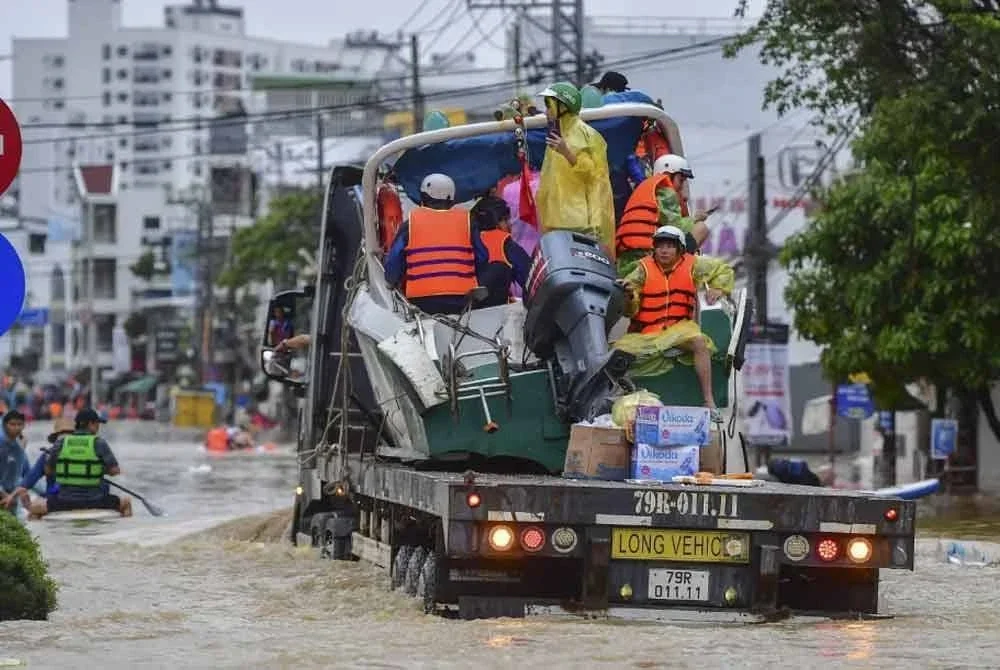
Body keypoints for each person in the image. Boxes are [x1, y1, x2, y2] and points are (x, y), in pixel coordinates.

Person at [618, 225, 734, 421]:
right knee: (616, 355)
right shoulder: (642, 270)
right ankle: (620, 400)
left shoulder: (694, 264)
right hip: (648, 333)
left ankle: (709, 401)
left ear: (679, 249)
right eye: (660, 246)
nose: (664, 251)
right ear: (654, 248)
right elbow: (630, 310)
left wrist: (719, 289)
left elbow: (723, 270)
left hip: (679, 328)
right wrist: (629, 296)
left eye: (670, 246)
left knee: (699, 342)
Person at [385, 173, 489, 315]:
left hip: (422, 301)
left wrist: (391, 281)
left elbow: (394, 263)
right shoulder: (468, 222)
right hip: (461, 299)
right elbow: (482, 257)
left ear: (423, 196)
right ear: (451, 199)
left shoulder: (410, 224)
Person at [535, 82, 616, 255]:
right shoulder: (558, 136)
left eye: (549, 105)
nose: (545, 112)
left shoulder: (584, 134)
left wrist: (567, 153)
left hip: (579, 224)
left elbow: (593, 174)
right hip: (556, 221)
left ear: (563, 107)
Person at [614, 154, 712, 277]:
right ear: (668, 174)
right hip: (648, 258)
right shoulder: (666, 192)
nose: (681, 186)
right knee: (701, 228)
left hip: (625, 262)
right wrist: (695, 219)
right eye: (680, 180)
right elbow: (677, 228)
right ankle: (680, 268)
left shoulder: (646, 188)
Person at [32, 408, 132, 518]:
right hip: (95, 500)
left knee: (34, 507)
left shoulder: (61, 442)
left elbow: (48, 470)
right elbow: (115, 471)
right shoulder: (99, 443)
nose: (98, 427)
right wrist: (98, 469)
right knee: (126, 502)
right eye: (97, 423)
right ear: (90, 424)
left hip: (64, 501)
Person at [470, 195, 532, 307]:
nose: (510, 224)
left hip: (458, 304)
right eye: (506, 219)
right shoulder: (505, 244)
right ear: (496, 222)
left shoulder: (464, 237)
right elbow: (530, 281)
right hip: (491, 311)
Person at [4, 416, 74, 513]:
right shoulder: (46, 457)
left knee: (33, 510)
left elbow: (27, 482)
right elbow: (28, 481)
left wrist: (25, 504)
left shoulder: (46, 456)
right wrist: (12, 496)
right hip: (79, 500)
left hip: (58, 502)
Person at [0, 410, 29, 514]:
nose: (16, 428)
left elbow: (27, 472)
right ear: (5, 425)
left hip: (11, 493)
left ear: (24, 426)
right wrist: (4, 494)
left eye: (19, 424)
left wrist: (23, 490)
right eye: (12, 424)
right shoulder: (1, 443)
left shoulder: (20, 443)